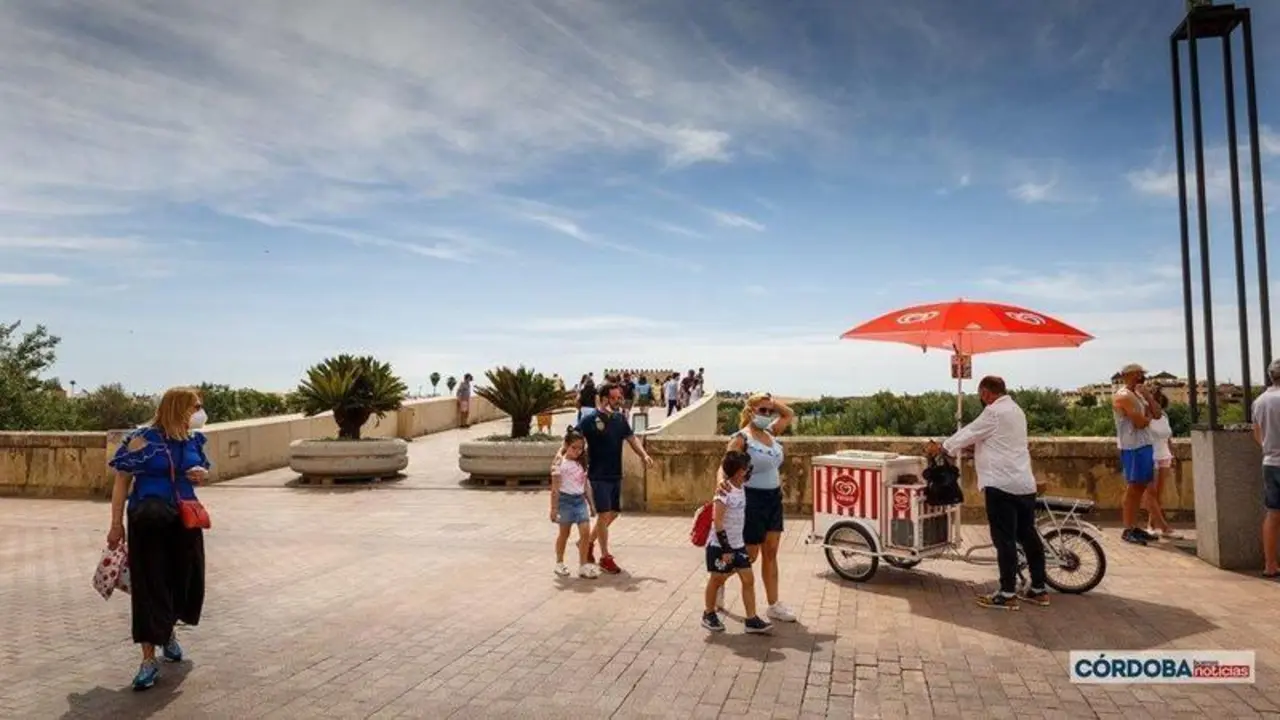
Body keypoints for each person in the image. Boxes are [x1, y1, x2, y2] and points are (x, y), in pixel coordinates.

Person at [106, 387, 211, 690]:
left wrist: (201, 475)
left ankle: (168, 631)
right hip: (148, 519)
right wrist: (115, 524)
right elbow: (122, 481)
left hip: (186, 519)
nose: (199, 412)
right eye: (195, 406)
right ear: (178, 408)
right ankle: (148, 659)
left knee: (186, 580)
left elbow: (205, 472)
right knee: (150, 585)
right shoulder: (142, 439)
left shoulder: (193, 440)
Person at [926, 376, 1049, 610]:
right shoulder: (1016, 410)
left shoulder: (993, 412)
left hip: (1001, 485)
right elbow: (993, 440)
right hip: (1023, 483)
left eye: (981, 395)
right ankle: (1039, 589)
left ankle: (1007, 592)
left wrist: (943, 446)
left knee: (1004, 541)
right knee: (1028, 536)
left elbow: (969, 432)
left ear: (986, 393)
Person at [717, 393, 797, 623]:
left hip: (773, 499)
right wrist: (721, 489)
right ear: (750, 411)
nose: (768, 415)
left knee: (771, 553)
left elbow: (788, 414)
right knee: (750, 555)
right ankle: (718, 581)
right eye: (762, 410)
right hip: (751, 500)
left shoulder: (771, 433)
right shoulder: (741, 438)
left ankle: (773, 604)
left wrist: (773, 403)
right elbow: (724, 467)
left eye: (769, 411)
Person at [575, 382, 653, 574]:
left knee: (613, 513)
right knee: (603, 515)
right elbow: (574, 438)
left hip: (615, 473)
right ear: (603, 399)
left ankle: (587, 543)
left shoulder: (619, 419)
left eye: (620, 397)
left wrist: (643, 455)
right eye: (615, 398)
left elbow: (632, 438)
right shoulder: (590, 420)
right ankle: (605, 557)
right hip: (598, 475)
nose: (619, 401)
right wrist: (562, 458)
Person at [702, 449, 772, 634]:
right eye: (746, 467)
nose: (749, 470)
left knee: (748, 579)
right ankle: (708, 613)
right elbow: (717, 522)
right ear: (739, 471)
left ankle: (751, 619)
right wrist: (726, 549)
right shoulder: (724, 493)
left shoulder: (741, 487)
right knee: (716, 579)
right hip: (720, 546)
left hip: (738, 544)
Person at [1112, 363, 1161, 545]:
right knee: (1134, 488)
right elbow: (1140, 423)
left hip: (1144, 444)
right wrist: (1146, 416)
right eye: (1139, 374)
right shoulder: (1123, 396)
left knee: (1140, 488)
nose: (1142, 377)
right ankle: (1128, 528)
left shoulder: (1139, 395)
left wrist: (1148, 397)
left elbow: (1157, 414)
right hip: (1133, 447)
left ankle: (1133, 526)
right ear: (1129, 375)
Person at [551, 426, 599, 579]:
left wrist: (591, 504)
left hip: (579, 501)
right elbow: (555, 489)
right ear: (566, 445)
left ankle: (583, 565)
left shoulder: (582, 463)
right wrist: (553, 509)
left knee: (585, 532)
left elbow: (585, 484)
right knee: (564, 534)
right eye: (574, 448)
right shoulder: (560, 464)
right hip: (565, 501)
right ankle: (559, 562)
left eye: (580, 448)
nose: (577, 451)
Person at [1254, 358, 1280, 577]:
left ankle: (1270, 564)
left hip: (1270, 462)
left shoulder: (1260, 401)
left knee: (1273, 515)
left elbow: (1257, 433)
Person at [1145, 387, 1180, 539]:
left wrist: (1172, 454)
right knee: (1151, 494)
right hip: (1151, 455)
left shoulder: (1164, 416)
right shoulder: (1145, 416)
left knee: (1158, 494)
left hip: (1164, 455)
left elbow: (1168, 437)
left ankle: (1151, 525)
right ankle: (1163, 527)